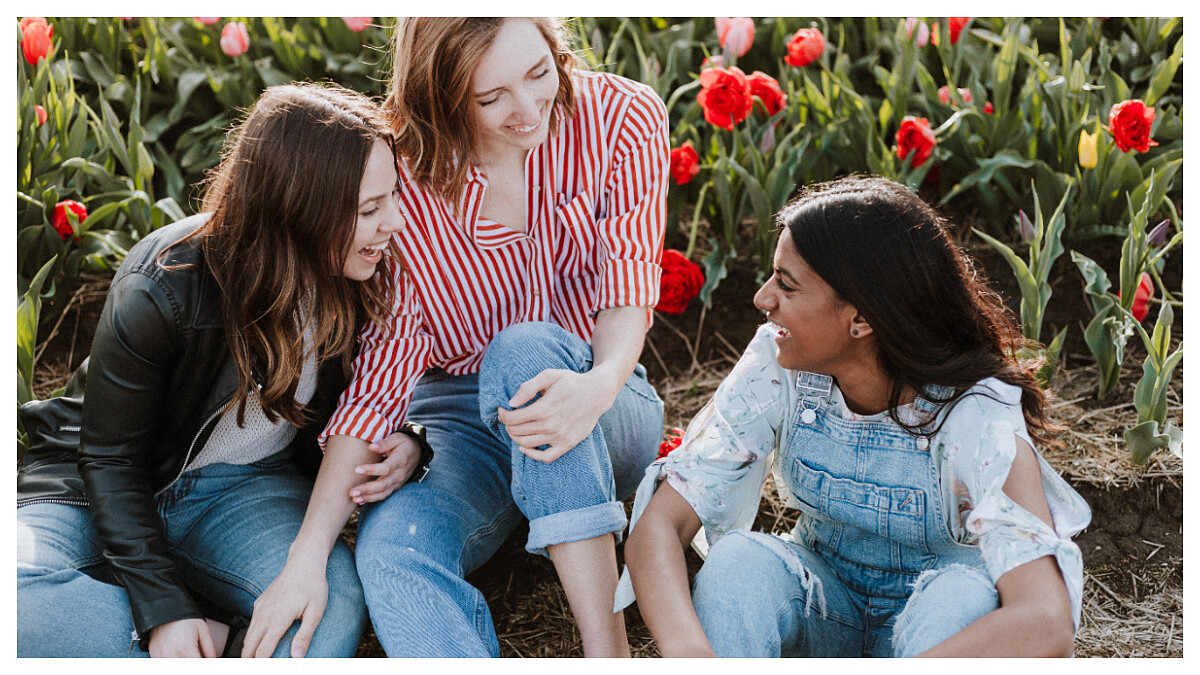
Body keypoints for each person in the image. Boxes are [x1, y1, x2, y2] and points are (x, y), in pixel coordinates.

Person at [249, 17, 668, 658]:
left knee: (523, 350)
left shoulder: (622, 118)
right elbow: (380, 380)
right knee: (393, 548)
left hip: (602, 396)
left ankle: (606, 654)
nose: (528, 110)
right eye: (490, 96)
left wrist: (599, 383)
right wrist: (306, 558)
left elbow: (626, 285)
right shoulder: (405, 179)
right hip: (466, 423)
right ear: (440, 95)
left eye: (539, 74)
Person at [16, 82, 421, 658]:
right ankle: (197, 638)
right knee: (18, 597)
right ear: (298, 208)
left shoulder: (368, 277)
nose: (394, 223)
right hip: (92, 485)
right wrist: (162, 611)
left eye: (392, 198)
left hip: (243, 489)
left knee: (325, 606)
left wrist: (409, 439)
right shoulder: (162, 285)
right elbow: (109, 459)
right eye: (369, 209)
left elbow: (395, 385)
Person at [619, 176, 1092, 657]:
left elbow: (1046, 618)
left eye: (786, 284)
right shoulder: (779, 367)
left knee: (962, 594)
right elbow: (658, 528)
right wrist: (692, 656)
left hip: (939, 642)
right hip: (824, 609)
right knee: (738, 562)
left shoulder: (975, 413)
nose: (763, 299)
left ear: (862, 319)